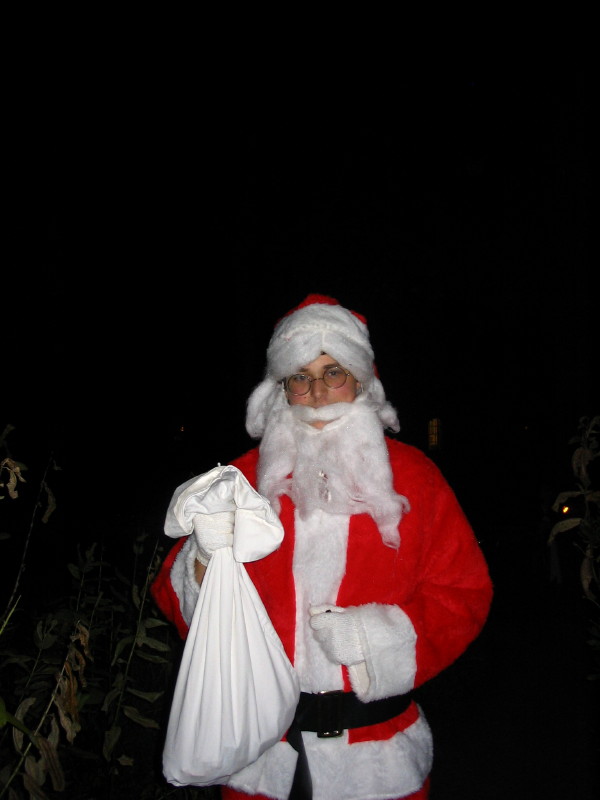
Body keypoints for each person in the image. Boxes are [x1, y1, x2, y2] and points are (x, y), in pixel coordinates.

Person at [151, 294, 493, 800]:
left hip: (380, 761)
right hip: (262, 762)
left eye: (333, 372)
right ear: (281, 389)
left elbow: (463, 595)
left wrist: (374, 640)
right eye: (300, 377)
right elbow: (173, 597)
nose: (316, 393)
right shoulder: (241, 480)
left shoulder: (417, 479)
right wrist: (204, 560)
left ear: (360, 380)